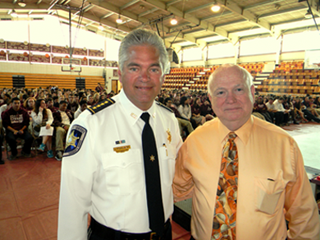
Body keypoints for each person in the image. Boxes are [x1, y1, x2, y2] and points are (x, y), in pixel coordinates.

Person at [58, 29, 182, 240]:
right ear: (120, 72)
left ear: (163, 74)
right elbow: (73, 204)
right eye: (134, 68)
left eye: (153, 68)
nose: (144, 77)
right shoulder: (91, 124)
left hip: (163, 234)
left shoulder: (169, 119)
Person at [173, 64, 320, 240]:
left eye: (238, 89)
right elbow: (178, 187)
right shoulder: (195, 141)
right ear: (211, 99)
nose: (230, 99)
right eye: (221, 92)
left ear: (251, 91)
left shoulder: (284, 145)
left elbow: (303, 213)